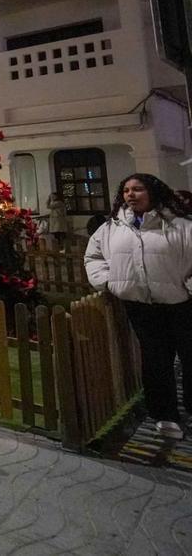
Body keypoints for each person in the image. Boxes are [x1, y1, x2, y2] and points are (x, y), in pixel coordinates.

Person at [85, 173, 192, 439]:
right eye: (126, 190)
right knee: (155, 360)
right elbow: (93, 256)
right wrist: (109, 282)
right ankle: (165, 415)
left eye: (138, 189)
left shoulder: (181, 225)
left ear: (153, 192)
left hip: (181, 303)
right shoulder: (113, 227)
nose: (130, 195)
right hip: (141, 305)